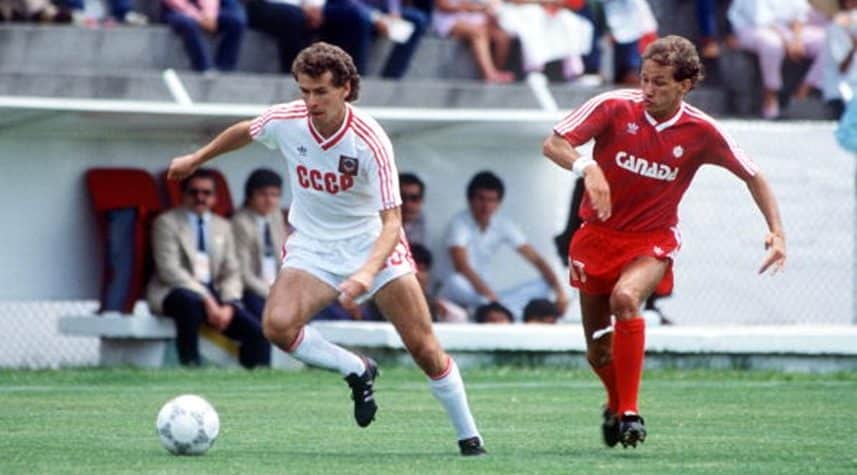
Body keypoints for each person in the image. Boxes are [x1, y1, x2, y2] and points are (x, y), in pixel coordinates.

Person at [164, 42, 486, 456]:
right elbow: (245, 130)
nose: (311, 102)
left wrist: (366, 272)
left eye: (321, 92)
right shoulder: (288, 120)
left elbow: (392, 222)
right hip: (314, 246)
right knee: (277, 326)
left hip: (373, 245)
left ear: (346, 88)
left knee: (423, 348)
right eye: (304, 91)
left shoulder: (369, 140)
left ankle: (469, 438)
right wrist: (197, 157)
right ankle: (357, 369)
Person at [542, 35, 787, 448]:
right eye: (644, 79)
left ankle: (630, 413)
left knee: (626, 299)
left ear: (684, 85)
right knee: (598, 350)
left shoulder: (701, 131)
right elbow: (554, 143)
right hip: (597, 237)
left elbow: (753, 174)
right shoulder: (613, 106)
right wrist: (587, 167)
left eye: (659, 82)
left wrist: (777, 232)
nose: (647, 90)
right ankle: (616, 403)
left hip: (651, 240)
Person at [146, 169, 271, 368]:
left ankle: (257, 377)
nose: (200, 197)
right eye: (194, 192)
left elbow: (232, 271)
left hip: (215, 293)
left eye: (206, 193)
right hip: (176, 290)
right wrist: (206, 298)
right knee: (189, 303)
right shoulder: (167, 223)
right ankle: (191, 366)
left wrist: (230, 304)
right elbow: (169, 270)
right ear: (183, 194)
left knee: (258, 333)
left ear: (214, 198)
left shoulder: (223, 226)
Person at [439, 170, 569, 321]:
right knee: (456, 282)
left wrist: (560, 291)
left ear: (498, 203)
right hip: (465, 290)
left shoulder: (502, 223)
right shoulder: (459, 224)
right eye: (481, 199)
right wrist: (492, 298)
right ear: (470, 200)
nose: (486, 206)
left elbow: (536, 259)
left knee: (544, 285)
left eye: (491, 200)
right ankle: (500, 311)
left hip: (489, 295)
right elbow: (462, 267)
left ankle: (495, 311)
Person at [728, 0, 826, 119]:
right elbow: (763, 21)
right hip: (752, 29)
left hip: (788, 32)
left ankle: (804, 90)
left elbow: (800, 15)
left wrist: (797, 40)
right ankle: (770, 96)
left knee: (827, 40)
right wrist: (788, 41)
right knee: (772, 44)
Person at [231, 168, 288, 319]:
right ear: (250, 195)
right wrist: (273, 293)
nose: (269, 200)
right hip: (252, 290)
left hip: (279, 287)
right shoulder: (240, 222)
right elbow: (244, 274)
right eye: (263, 194)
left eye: (275, 195)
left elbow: (285, 257)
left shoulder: (275, 215)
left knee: (327, 313)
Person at [162, 0, 246, 73]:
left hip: (206, 11)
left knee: (236, 20)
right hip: (176, 10)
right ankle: (204, 68)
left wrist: (210, 16)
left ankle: (224, 68)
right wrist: (199, 18)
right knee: (188, 24)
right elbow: (176, 3)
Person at [399, 172, 427, 245]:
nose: (407, 204)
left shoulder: (421, 222)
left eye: (414, 198)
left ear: (421, 200)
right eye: (402, 197)